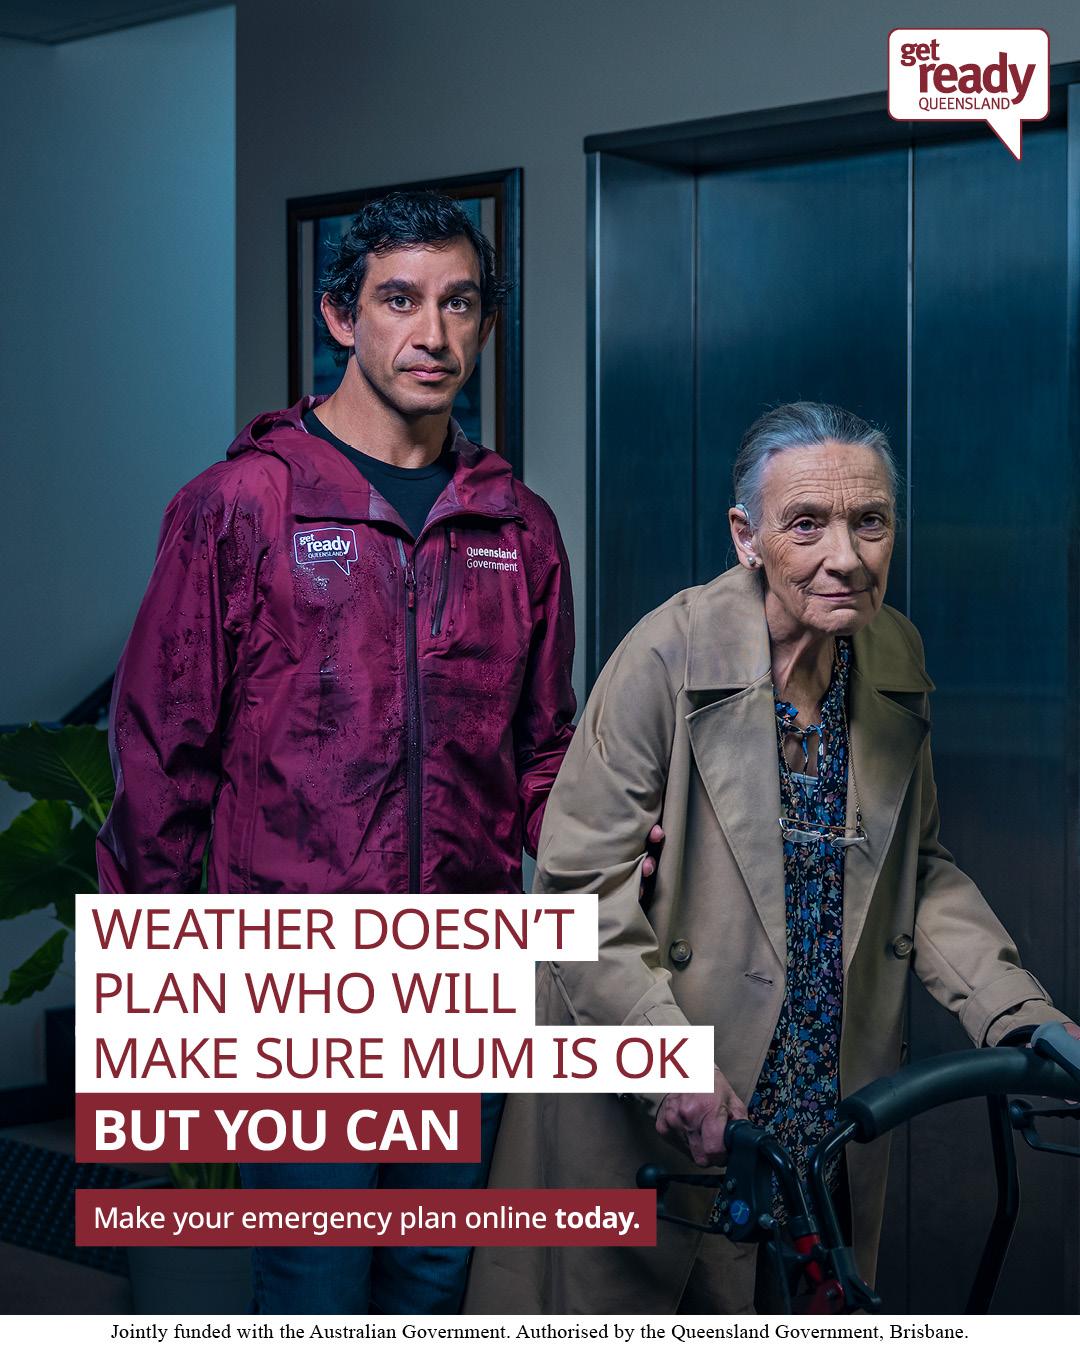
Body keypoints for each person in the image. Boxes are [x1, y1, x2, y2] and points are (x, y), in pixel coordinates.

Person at [465, 401, 1079, 1315]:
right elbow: (577, 890)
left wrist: (1022, 1018)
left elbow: (918, 871)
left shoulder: (891, 651)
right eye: (808, 525)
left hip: (824, 1109)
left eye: (870, 522)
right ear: (746, 538)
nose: (848, 556)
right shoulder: (663, 658)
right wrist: (663, 1057)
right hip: (672, 1087)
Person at [96, 191, 577, 1313]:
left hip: (463, 967)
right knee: (315, 1282)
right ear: (339, 316)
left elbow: (544, 749)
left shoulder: (519, 528)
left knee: (435, 1275)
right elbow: (163, 758)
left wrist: (609, 850)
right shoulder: (238, 509)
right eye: (399, 300)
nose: (434, 334)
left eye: (461, 304)